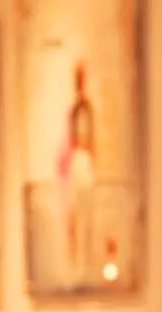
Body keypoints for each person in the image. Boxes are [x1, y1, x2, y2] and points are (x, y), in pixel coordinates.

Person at [63, 62, 97, 274]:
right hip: (77, 159)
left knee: (88, 208)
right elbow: (72, 137)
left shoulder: (87, 108)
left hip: (86, 159)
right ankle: (74, 256)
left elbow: (92, 136)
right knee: (75, 209)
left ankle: (88, 254)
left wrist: (91, 153)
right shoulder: (75, 110)